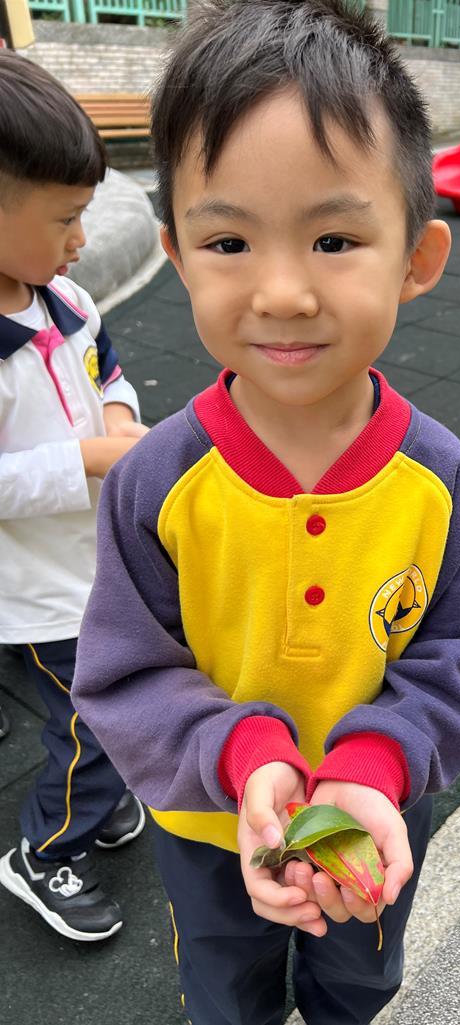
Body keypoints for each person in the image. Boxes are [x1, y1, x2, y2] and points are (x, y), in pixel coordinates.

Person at [71, 1, 460, 1022]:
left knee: (357, 981)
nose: (280, 291)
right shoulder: (156, 481)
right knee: (224, 987)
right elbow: (126, 669)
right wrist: (241, 754)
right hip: (206, 818)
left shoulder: (439, 480)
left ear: (416, 257)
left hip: (371, 814)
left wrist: (372, 760)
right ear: (177, 256)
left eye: (332, 238)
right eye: (229, 240)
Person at [0, 51, 148, 942]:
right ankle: (46, 849)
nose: (81, 241)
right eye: (64, 219)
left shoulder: (61, 298)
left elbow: (106, 366)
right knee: (90, 718)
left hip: (93, 561)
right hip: (42, 587)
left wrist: (119, 415)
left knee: (108, 700)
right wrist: (88, 456)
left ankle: (95, 789)